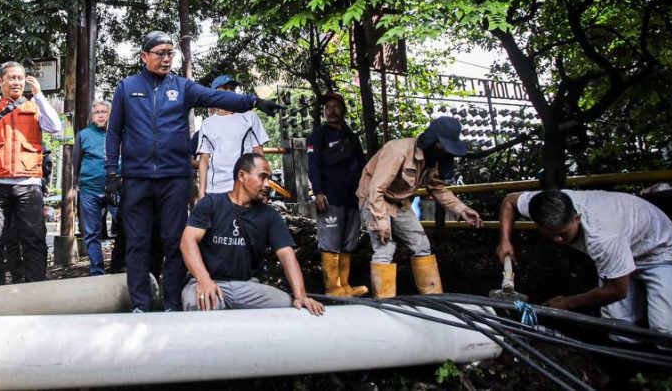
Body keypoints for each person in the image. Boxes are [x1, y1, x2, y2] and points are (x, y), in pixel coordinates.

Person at [106, 31, 285, 312]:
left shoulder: (182, 87)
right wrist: (111, 174)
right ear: (144, 56)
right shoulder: (126, 88)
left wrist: (253, 102)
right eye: (160, 54)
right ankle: (140, 304)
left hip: (175, 179)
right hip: (138, 178)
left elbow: (217, 97)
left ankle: (172, 304)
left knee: (174, 242)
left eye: (169, 53)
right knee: (137, 242)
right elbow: (114, 131)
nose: (166, 59)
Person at [497, 189, 672, 338]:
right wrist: (505, 240)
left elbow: (616, 290)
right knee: (617, 326)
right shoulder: (545, 204)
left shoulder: (602, 236)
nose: (558, 240)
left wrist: (567, 303)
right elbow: (509, 202)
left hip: (661, 253)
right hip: (624, 246)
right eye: (550, 235)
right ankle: (629, 368)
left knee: (668, 332)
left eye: (563, 234)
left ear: (577, 217)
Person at [180, 153, 325, 315]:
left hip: (247, 287)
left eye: (268, 178)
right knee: (202, 303)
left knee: (286, 303)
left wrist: (301, 295)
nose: (267, 184)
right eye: (262, 177)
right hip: (209, 281)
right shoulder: (212, 203)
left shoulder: (270, 215)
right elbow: (187, 241)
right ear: (242, 176)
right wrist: (203, 279)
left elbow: (286, 255)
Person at [356, 116, 482, 298]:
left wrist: (462, 209)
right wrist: (380, 220)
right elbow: (377, 188)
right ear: (432, 140)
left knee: (421, 245)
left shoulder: (433, 159)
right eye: (443, 145)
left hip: (400, 202)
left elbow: (438, 188)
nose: (446, 150)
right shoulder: (397, 151)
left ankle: (433, 299)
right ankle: (384, 304)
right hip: (374, 197)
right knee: (384, 247)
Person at [0, 62, 62, 286]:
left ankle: (35, 288)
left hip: (28, 182)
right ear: (0, 81)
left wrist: (39, 96)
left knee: (34, 239)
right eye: (11, 78)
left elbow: (55, 127)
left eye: (20, 78)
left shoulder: (34, 106)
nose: (17, 82)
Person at [307, 92, 368, 297]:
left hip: (352, 198)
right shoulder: (318, 135)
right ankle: (333, 288)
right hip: (330, 199)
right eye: (327, 108)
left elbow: (362, 165)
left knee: (349, 243)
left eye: (335, 107)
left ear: (343, 110)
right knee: (330, 243)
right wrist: (318, 192)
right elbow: (312, 166)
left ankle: (345, 286)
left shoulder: (352, 137)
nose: (331, 111)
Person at [197, 74, 269, 198]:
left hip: (244, 188)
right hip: (215, 190)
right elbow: (204, 160)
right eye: (225, 88)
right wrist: (202, 193)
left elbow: (259, 154)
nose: (229, 91)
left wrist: (262, 188)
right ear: (214, 94)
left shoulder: (250, 117)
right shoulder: (207, 124)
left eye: (232, 88)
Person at [76, 100, 114, 275]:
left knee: (129, 227)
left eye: (104, 112)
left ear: (110, 114)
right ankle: (97, 271)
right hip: (89, 189)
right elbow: (76, 162)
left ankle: (120, 265)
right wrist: (77, 185)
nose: (100, 115)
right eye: (97, 112)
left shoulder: (117, 133)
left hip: (116, 189)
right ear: (92, 116)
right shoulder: (83, 135)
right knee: (92, 233)